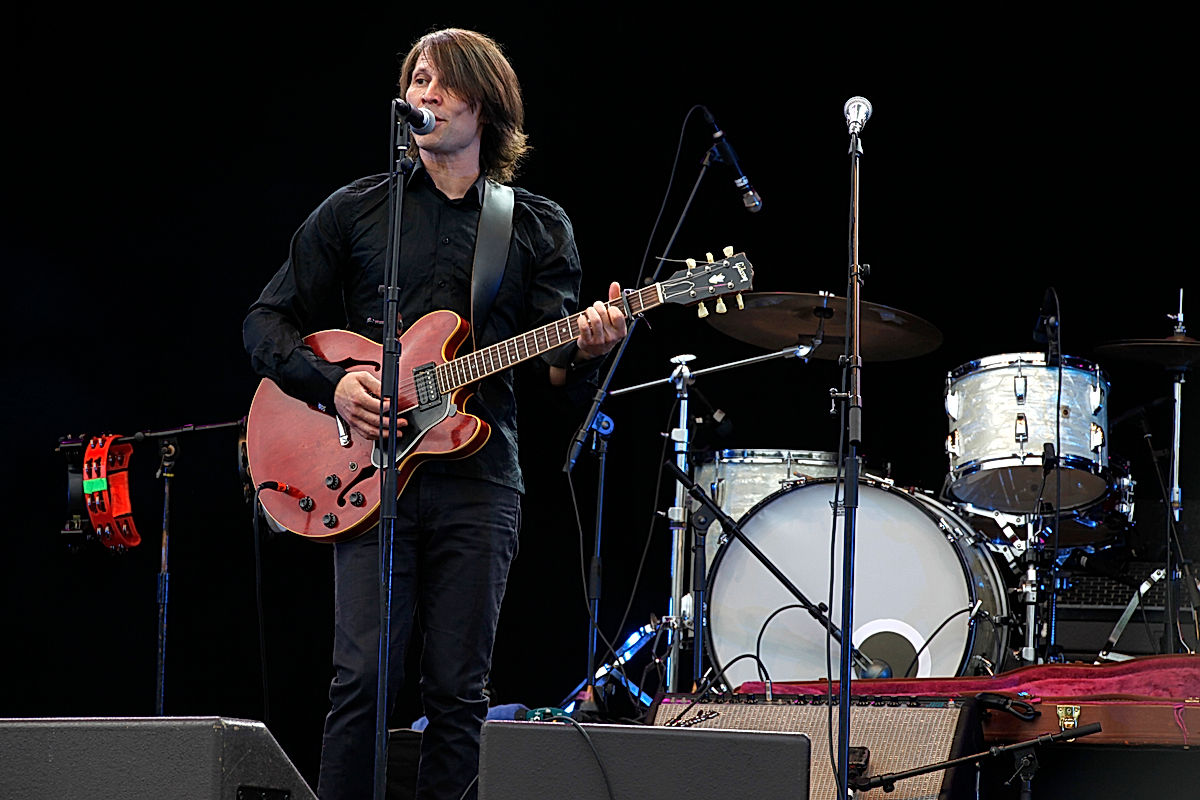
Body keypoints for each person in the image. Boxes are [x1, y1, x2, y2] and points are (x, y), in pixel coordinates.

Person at [243, 27, 627, 800]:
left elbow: (555, 370)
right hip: (368, 471)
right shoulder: (358, 211)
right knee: (361, 679)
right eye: (415, 79)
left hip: (481, 479)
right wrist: (334, 384)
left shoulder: (533, 224)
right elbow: (264, 322)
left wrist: (588, 347)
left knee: (458, 692)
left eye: (440, 81)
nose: (422, 92)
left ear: (482, 102)